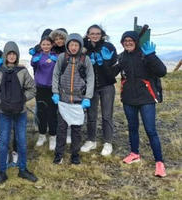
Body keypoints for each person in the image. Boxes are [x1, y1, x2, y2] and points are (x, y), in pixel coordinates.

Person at [112, 31, 167, 177]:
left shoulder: (144, 55)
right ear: (122, 42)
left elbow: (162, 71)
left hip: (146, 99)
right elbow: (110, 75)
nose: (128, 42)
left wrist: (152, 56)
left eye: (131, 40)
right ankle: (134, 153)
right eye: (125, 40)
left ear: (136, 41)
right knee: (132, 128)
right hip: (129, 99)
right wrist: (102, 63)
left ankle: (159, 162)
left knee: (151, 130)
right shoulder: (121, 57)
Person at [0, 41, 38, 184]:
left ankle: (23, 169)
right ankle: (2, 171)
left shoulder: (22, 72)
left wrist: (22, 98)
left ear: (17, 55)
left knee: (21, 142)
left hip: (20, 112)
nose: (11, 56)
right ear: (5, 55)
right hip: (3, 112)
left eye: (13, 54)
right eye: (9, 53)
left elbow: (32, 89)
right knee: (3, 142)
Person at [51, 34, 94, 165]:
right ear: (67, 45)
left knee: (76, 130)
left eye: (76, 45)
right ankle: (59, 154)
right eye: (71, 45)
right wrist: (55, 92)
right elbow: (56, 74)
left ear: (80, 46)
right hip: (63, 100)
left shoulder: (84, 59)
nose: (74, 47)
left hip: (78, 101)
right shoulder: (62, 58)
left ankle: (75, 154)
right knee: (61, 129)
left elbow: (91, 77)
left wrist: (87, 97)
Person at [81, 25, 117, 156]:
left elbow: (114, 66)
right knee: (91, 115)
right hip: (91, 86)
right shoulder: (85, 48)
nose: (95, 35)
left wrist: (104, 63)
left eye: (97, 33)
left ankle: (108, 142)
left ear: (102, 34)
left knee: (107, 115)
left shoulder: (109, 47)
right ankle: (91, 140)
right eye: (92, 33)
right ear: (88, 35)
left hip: (107, 85)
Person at [31, 36, 58, 151]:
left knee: (52, 113)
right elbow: (33, 64)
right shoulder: (37, 56)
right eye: (44, 44)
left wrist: (54, 60)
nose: (46, 46)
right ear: (40, 45)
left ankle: (53, 136)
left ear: (51, 45)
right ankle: (42, 135)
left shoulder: (56, 56)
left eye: (48, 44)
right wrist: (34, 60)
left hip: (52, 88)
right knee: (41, 113)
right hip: (40, 88)